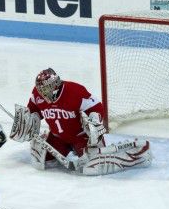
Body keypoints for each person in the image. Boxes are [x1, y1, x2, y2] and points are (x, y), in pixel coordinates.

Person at [9, 68, 152, 175]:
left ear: (55, 86)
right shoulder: (37, 93)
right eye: (40, 89)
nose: (41, 93)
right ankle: (59, 144)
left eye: (45, 89)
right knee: (42, 162)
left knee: (91, 167)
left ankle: (135, 157)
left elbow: (96, 107)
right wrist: (27, 122)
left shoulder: (75, 91)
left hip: (81, 137)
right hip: (58, 137)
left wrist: (95, 121)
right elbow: (34, 110)